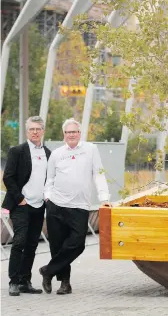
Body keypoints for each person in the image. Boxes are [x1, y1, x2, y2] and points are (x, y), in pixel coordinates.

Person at [40, 118, 111, 295]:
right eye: (68, 132)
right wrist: (48, 197)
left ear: (79, 133)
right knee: (58, 246)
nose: (71, 135)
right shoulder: (56, 154)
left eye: (74, 132)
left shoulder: (90, 150)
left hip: (80, 206)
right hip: (56, 205)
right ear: (64, 135)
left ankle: (47, 271)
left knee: (77, 244)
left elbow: (99, 174)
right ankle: (65, 283)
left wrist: (104, 197)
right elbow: (50, 179)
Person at [2, 116, 51, 296]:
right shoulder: (17, 151)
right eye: (32, 129)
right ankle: (13, 281)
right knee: (20, 241)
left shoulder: (48, 153)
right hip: (21, 204)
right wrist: (20, 198)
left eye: (38, 129)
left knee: (31, 244)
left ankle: (24, 281)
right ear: (27, 131)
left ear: (42, 131)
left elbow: (49, 179)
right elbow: (8, 177)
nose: (35, 132)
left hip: (39, 206)